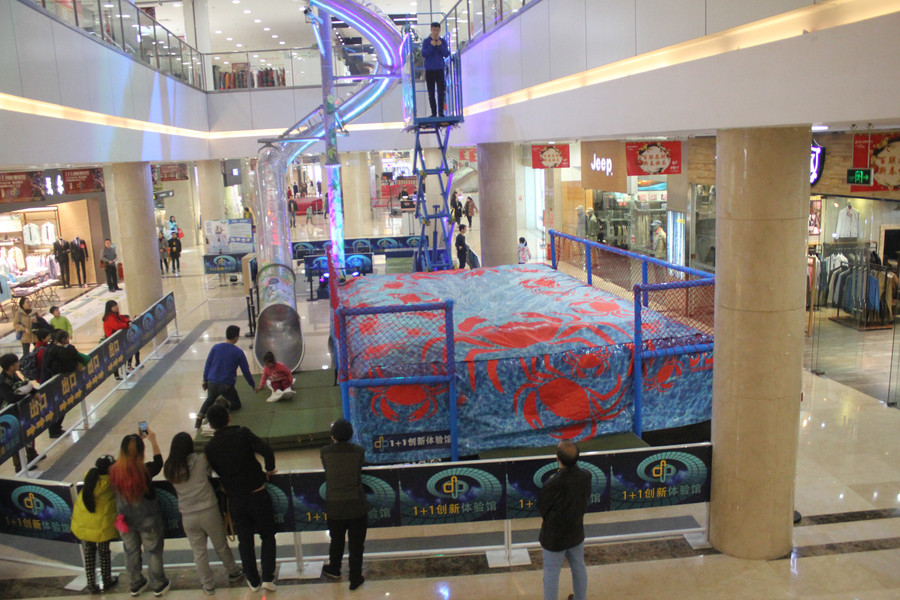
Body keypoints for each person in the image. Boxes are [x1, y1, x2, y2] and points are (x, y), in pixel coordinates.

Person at [204, 404, 277, 592]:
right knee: (267, 535)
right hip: (257, 493)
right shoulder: (243, 433)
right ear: (229, 418)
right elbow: (267, 451)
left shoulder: (210, 447)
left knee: (245, 541)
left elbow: (216, 471)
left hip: (236, 500)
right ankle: (268, 578)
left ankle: (253, 581)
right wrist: (269, 469)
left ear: (211, 425)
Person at [164, 432, 243, 595]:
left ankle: (207, 584)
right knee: (221, 545)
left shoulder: (169, 469)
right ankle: (233, 571)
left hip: (187, 515)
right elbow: (213, 472)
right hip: (208, 511)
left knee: (199, 552)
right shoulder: (201, 461)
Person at [108, 429, 170, 597]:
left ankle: (135, 583)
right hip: (148, 521)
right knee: (154, 551)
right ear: (141, 453)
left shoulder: (113, 470)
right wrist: (153, 440)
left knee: (131, 552)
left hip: (125, 521)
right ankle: (158, 583)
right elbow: (159, 462)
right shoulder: (144, 471)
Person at [537, 441, 590, 600]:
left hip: (554, 538)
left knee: (552, 572)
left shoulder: (552, 483)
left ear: (557, 459)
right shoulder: (586, 475)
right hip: (576, 531)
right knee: (579, 567)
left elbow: (541, 507)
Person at [321, 418, 368, 591]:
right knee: (356, 543)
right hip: (356, 505)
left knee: (337, 539)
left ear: (333, 436)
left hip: (334, 505)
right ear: (351, 434)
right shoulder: (359, 451)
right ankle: (355, 577)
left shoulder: (325, 452)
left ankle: (334, 568)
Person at [71, 455, 120, 594]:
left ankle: (91, 583)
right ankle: (107, 579)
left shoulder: (90, 479)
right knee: (104, 553)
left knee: (89, 553)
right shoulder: (111, 483)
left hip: (85, 525)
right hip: (102, 527)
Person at [196, 325, 255, 429]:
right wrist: (253, 385)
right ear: (236, 338)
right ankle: (225, 404)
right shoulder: (239, 352)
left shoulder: (215, 347)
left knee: (209, 399)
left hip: (212, 382)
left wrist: (204, 380)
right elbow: (246, 371)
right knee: (236, 404)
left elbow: (207, 365)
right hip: (226, 385)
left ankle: (200, 417)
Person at [0, 353, 39, 471]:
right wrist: (25, 391)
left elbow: (24, 385)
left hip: (20, 411)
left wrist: (34, 391)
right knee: (15, 438)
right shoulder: (3, 381)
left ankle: (31, 456)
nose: (19, 364)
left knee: (27, 431)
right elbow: (11, 398)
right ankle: (19, 466)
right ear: (11, 366)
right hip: (9, 415)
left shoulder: (13, 375)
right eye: (16, 363)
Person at [42, 328, 84, 437]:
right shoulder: (55, 350)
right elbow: (47, 366)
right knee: (57, 406)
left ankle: (57, 428)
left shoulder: (56, 349)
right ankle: (54, 430)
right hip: (55, 383)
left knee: (62, 404)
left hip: (62, 381)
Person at [103, 300, 140, 378]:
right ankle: (116, 375)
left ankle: (123, 370)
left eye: (116, 305)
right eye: (114, 306)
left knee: (122, 355)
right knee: (115, 358)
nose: (117, 307)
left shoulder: (116, 315)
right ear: (110, 308)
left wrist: (128, 321)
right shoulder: (109, 318)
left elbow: (123, 318)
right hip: (112, 341)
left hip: (119, 339)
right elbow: (116, 326)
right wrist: (126, 325)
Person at [422, 22, 450, 117]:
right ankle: (434, 113)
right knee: (431, 93)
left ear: (439, 30)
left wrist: (440, 45)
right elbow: (424, 54)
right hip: (429, 70)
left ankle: (441, 112)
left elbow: (446, 54)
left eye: (437, 30)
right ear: (431, 30)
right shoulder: (426, 42)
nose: (435, 32)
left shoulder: (443, 42)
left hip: (439, 70)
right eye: (434, 30)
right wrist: (432, 45)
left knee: (441, 92)